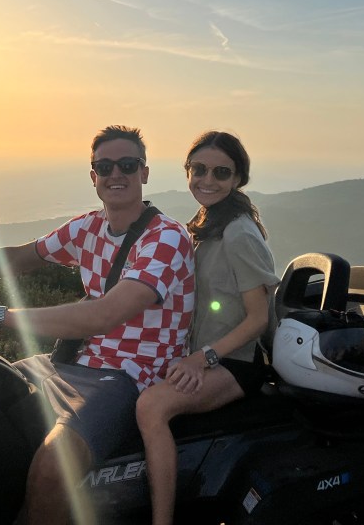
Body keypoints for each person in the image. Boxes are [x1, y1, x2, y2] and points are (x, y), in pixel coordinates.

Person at [0, 125, 196, 525]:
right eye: (105, 166)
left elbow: (104, 315)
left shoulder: (166, 238)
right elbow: (21, 258)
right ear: (93, 176)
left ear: (144, 173)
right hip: (70, 363)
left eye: (127, 164)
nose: (116, 174)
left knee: (52, 466)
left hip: (129, 376)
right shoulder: (88, 228)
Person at [134, 130, 277, 525]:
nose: (207, 180)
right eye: (199, 169)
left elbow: (258, 318)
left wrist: (203, 358)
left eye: (221, 172)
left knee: (152, 406)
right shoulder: (205, 222)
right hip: (202, 353)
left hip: (236, 362)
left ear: (237, 179)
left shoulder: (238, 233)